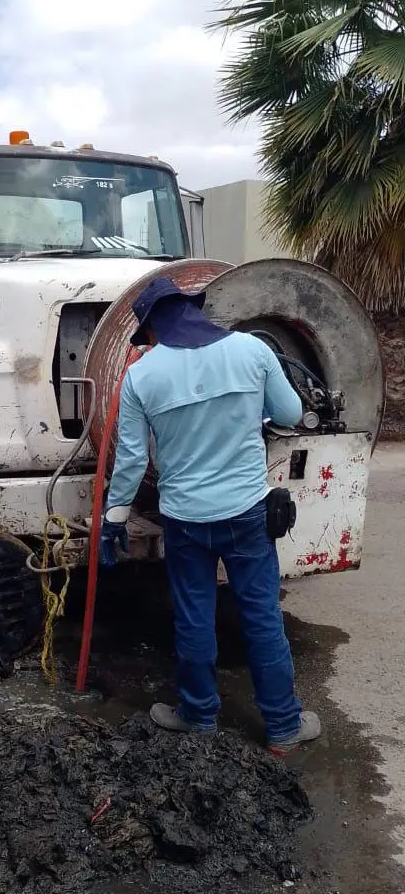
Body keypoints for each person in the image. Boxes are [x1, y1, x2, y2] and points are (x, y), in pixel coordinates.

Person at [99, 275, 321, 756]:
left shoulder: (142, 374)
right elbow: (288, 412)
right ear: (194, 310)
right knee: (262, 615)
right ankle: (283, 726)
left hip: (184, 519)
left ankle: (198, 717)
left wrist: (114, 517)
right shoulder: (250, 350)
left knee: (193, 615)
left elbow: (133, 460)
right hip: (246, 511)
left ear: (152, 328)